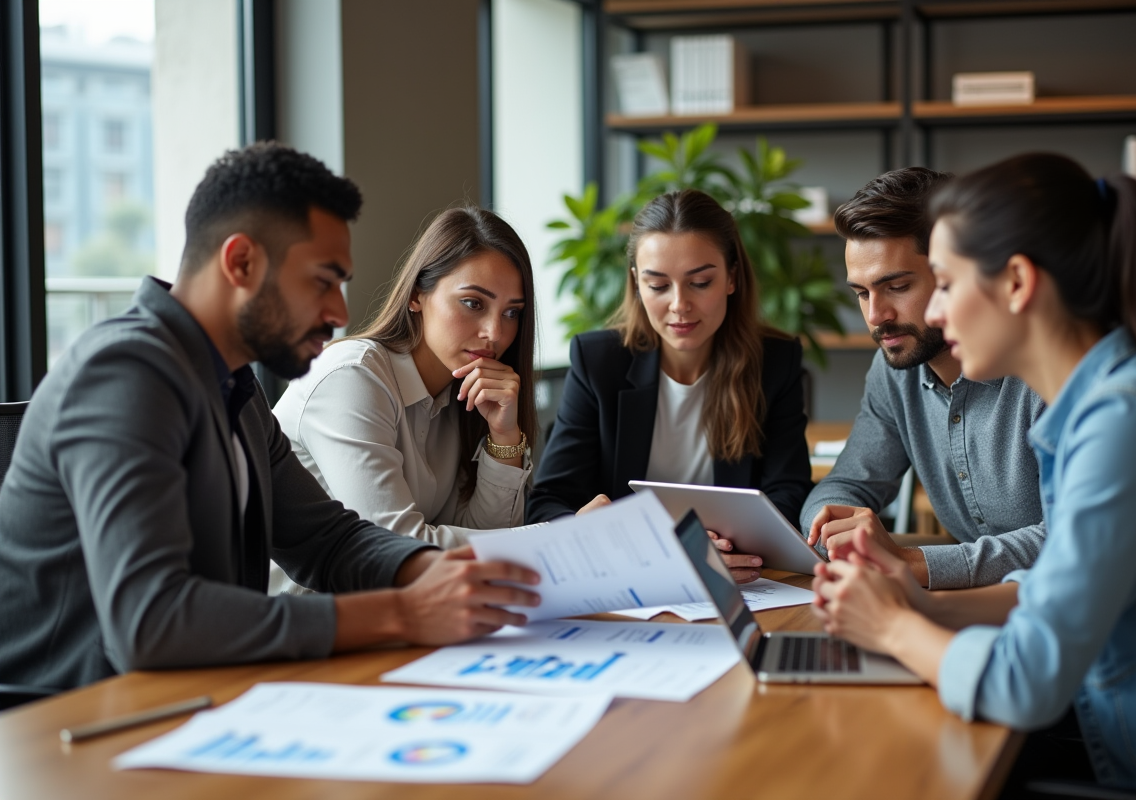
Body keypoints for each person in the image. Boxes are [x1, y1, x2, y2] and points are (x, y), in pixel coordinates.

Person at [0, 143, 540, 692]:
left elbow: (326, 540)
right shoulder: (124, 375)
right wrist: (403, 612)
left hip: (181, 699)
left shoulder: (235, 387)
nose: (339, 312)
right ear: (240, 262)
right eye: (322, 281)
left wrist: (436, 571)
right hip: (68, 716)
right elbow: (151, 621)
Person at [812, 153, 1136, 792]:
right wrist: (916, 601)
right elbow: (1048, 588)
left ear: (1016, 283)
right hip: (1113, 730)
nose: (936, 314)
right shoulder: (1097, 406)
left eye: (945, 283)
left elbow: (1026, 681)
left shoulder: (1125, 423)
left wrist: (894, 627)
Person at [528, 189, 813, 583]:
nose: (679, 304)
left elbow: (788, 492)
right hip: (631, 580)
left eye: (700, 282)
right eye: (658, 286)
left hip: (736, 580)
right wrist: (592, 531)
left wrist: (724, 550)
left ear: (732, 277)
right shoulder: (599, 362)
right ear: (636, 283)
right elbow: (548, 503)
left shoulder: (775, 362)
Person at [800, 168, 1045, 590]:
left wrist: (916, 563)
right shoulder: (894, 368)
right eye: (862, 293)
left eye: (897, 286)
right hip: (991, 605)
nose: (876, 316)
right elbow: (848, 482)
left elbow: (1075, 540)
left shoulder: (1048, 370)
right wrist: (834, 529)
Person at [272, 207, 542, 566]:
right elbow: (396, 547)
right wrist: (550, 538)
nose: (495, 333)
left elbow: (480, 535)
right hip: (308, 602)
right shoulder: (352, 377)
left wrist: (504, 438)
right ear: (416, 295)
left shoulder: (461, 394)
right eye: (473, 303)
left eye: (512, 312)